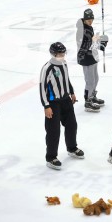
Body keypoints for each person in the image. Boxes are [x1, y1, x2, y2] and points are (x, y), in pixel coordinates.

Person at [39, 42, 83, 170]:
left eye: (64, 53)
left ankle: (72, 148)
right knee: (53, 131)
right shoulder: (47, 68)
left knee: (72, 125)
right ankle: (51, 157)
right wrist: (46, 106)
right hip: (53, 103)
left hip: (66, 100)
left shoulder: (64, 63)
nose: (62, 55)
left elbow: (66, 79)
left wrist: (72, 92)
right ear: (53, 54)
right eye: (60, 53)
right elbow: (42, 88)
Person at [76, 8, 107, 112]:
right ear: (84, 19)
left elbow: (92, 44)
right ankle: (88, 101)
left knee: (96, 79)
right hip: (85, 58)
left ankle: (92, 96)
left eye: (92, 19)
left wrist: (101, 44)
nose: (90, 21)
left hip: (92, 57)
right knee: (90, 81)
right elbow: (82, 46)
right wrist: (94, 41)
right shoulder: (80, 30)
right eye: (88, 20)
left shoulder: (89, 27)